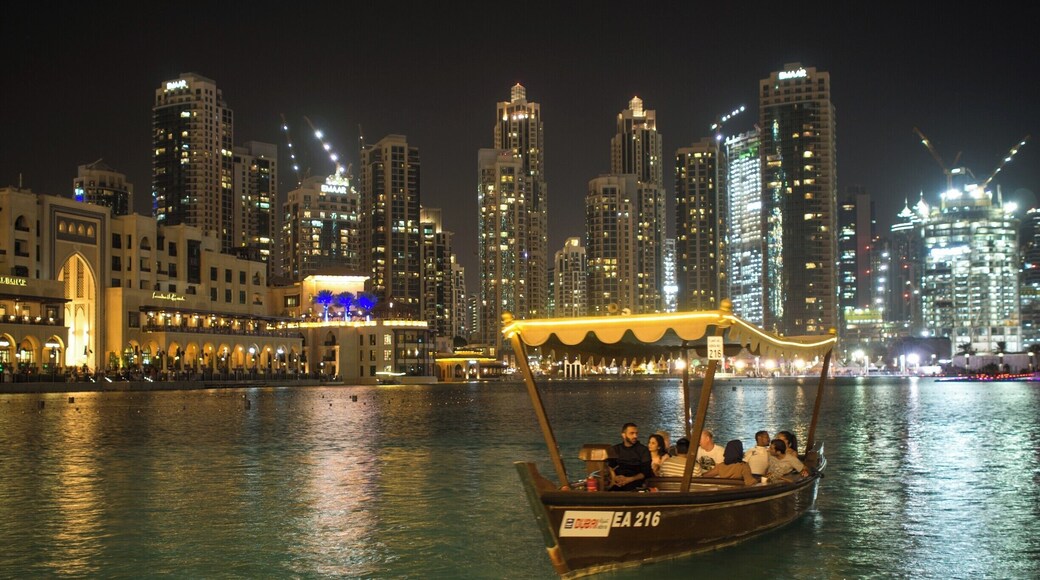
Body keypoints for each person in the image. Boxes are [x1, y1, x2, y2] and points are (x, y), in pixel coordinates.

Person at [608, 422, 653, 490]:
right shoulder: (615, 449)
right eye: (631, 433)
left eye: (636, 433)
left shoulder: (643, 450)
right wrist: (614, 478)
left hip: (636, 483)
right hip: (617, 482)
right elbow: (609, 467)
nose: (635, 436)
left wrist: (629, 479)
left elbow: (646, 472)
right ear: (623, 435)